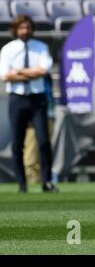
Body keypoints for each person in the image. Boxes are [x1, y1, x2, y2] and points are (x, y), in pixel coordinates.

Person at [0, 15, 58, 193]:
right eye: (21, 28)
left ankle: (47, 181)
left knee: (43, 142)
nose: (25, 31)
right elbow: (5, 75)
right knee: (18, 144)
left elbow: (43, 70)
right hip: (17, 99)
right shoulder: (9, 49)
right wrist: (31, 73)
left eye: (27, 27)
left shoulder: (40, 48)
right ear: (16, 30)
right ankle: (22, 184)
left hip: (37, 98)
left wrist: (18, 71)